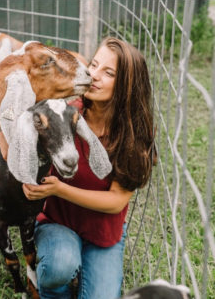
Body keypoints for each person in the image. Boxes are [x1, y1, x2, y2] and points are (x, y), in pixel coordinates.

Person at [23, 37, 156, 299]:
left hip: (103, 230)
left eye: (108, 73)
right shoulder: (64, 113)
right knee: (59, 266)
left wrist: (59, 189)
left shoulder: (133, 135)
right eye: (93, 65)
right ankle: (53, 289)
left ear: (128, 85)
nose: (93, 76)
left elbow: (117, 202)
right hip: (57, 220)